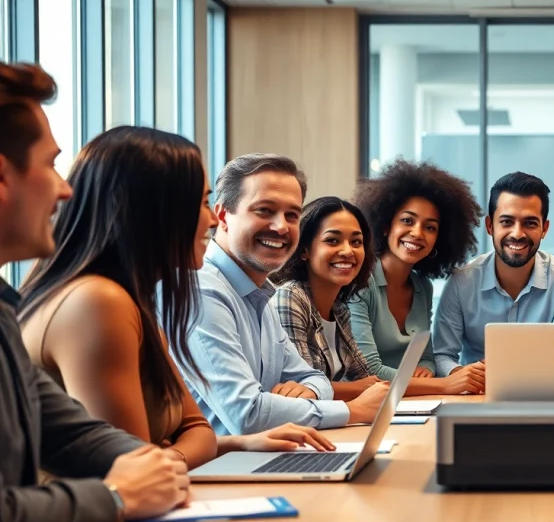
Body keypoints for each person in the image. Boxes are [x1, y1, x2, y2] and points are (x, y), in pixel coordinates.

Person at [18, 127, 336, 474]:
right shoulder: (98, 302)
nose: (212, 220)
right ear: (152, 211)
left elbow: (197, 430)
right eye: (200, 203)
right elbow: (137, 473)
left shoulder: (135, 300)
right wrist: (176, 454)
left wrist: (232, 443)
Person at [0, 62, 186, 522]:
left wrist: (148, 465)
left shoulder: (3, 312)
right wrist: (117, 497)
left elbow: (72, 433)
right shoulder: (96, 300)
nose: (65, 190)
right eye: (50, 165)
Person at [172, 153, 388, 435]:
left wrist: (308, 392)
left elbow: (314, 378)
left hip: (266, 456)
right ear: (223, 215)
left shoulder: (261, 294)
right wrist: (354, 410)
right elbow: (247, 414)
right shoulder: (202, 289)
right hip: (220, 469)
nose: (281, 226)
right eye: (264, 210)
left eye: (292, 215)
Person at [350, 159, 486, 394]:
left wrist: (426, 369)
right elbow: (368, 369)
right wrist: (444, 384)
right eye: (407, 220)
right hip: (366, 403)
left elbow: (425, 356)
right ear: (385, 225)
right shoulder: (360, 280)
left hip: (409, 402)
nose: (417, 233)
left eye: (430, 227)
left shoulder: (423, 287)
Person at [432, 172, 554, 378]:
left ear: (544, 228)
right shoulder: (462, 281)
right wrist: (461, 374)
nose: (517, 233)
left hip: (542, 392)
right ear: (489, 225)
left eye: (530, 223)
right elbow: (441, 355)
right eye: (506, 222)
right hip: (477, 395)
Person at [271, 197, 385, 399]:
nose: (348, 251)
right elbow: (300, 387)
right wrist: (359, 388)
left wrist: (365, 386)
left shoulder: (339, 309)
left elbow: (365, 377)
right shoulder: (290, 297)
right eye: (332, 240)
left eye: (356, 242)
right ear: (304, 250)